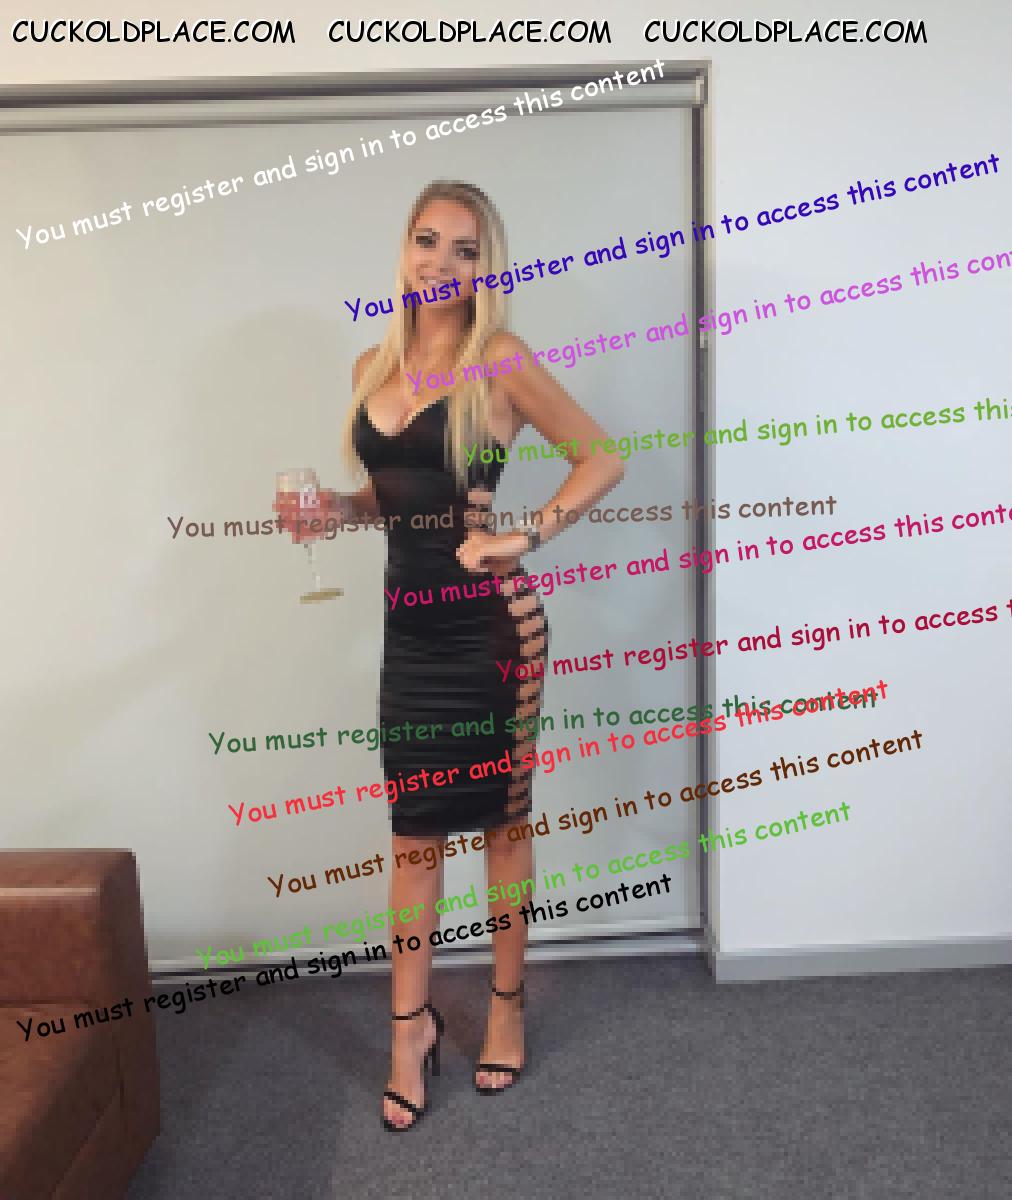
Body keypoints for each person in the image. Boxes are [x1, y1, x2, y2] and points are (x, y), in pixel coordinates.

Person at [322, 180, 623, 1131]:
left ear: (485, 267)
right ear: (404, 249)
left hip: (494, 632)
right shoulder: (372, 364)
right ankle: (408, 1031)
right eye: (428, 241)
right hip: (410, 633)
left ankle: (504, 1007)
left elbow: (601, 458)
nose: (441, 265)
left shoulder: (499, 359)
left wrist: (522, 535)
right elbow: (393, 498)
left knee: (502, 828)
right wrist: (334, 509)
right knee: (414, 838)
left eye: (465, 249)